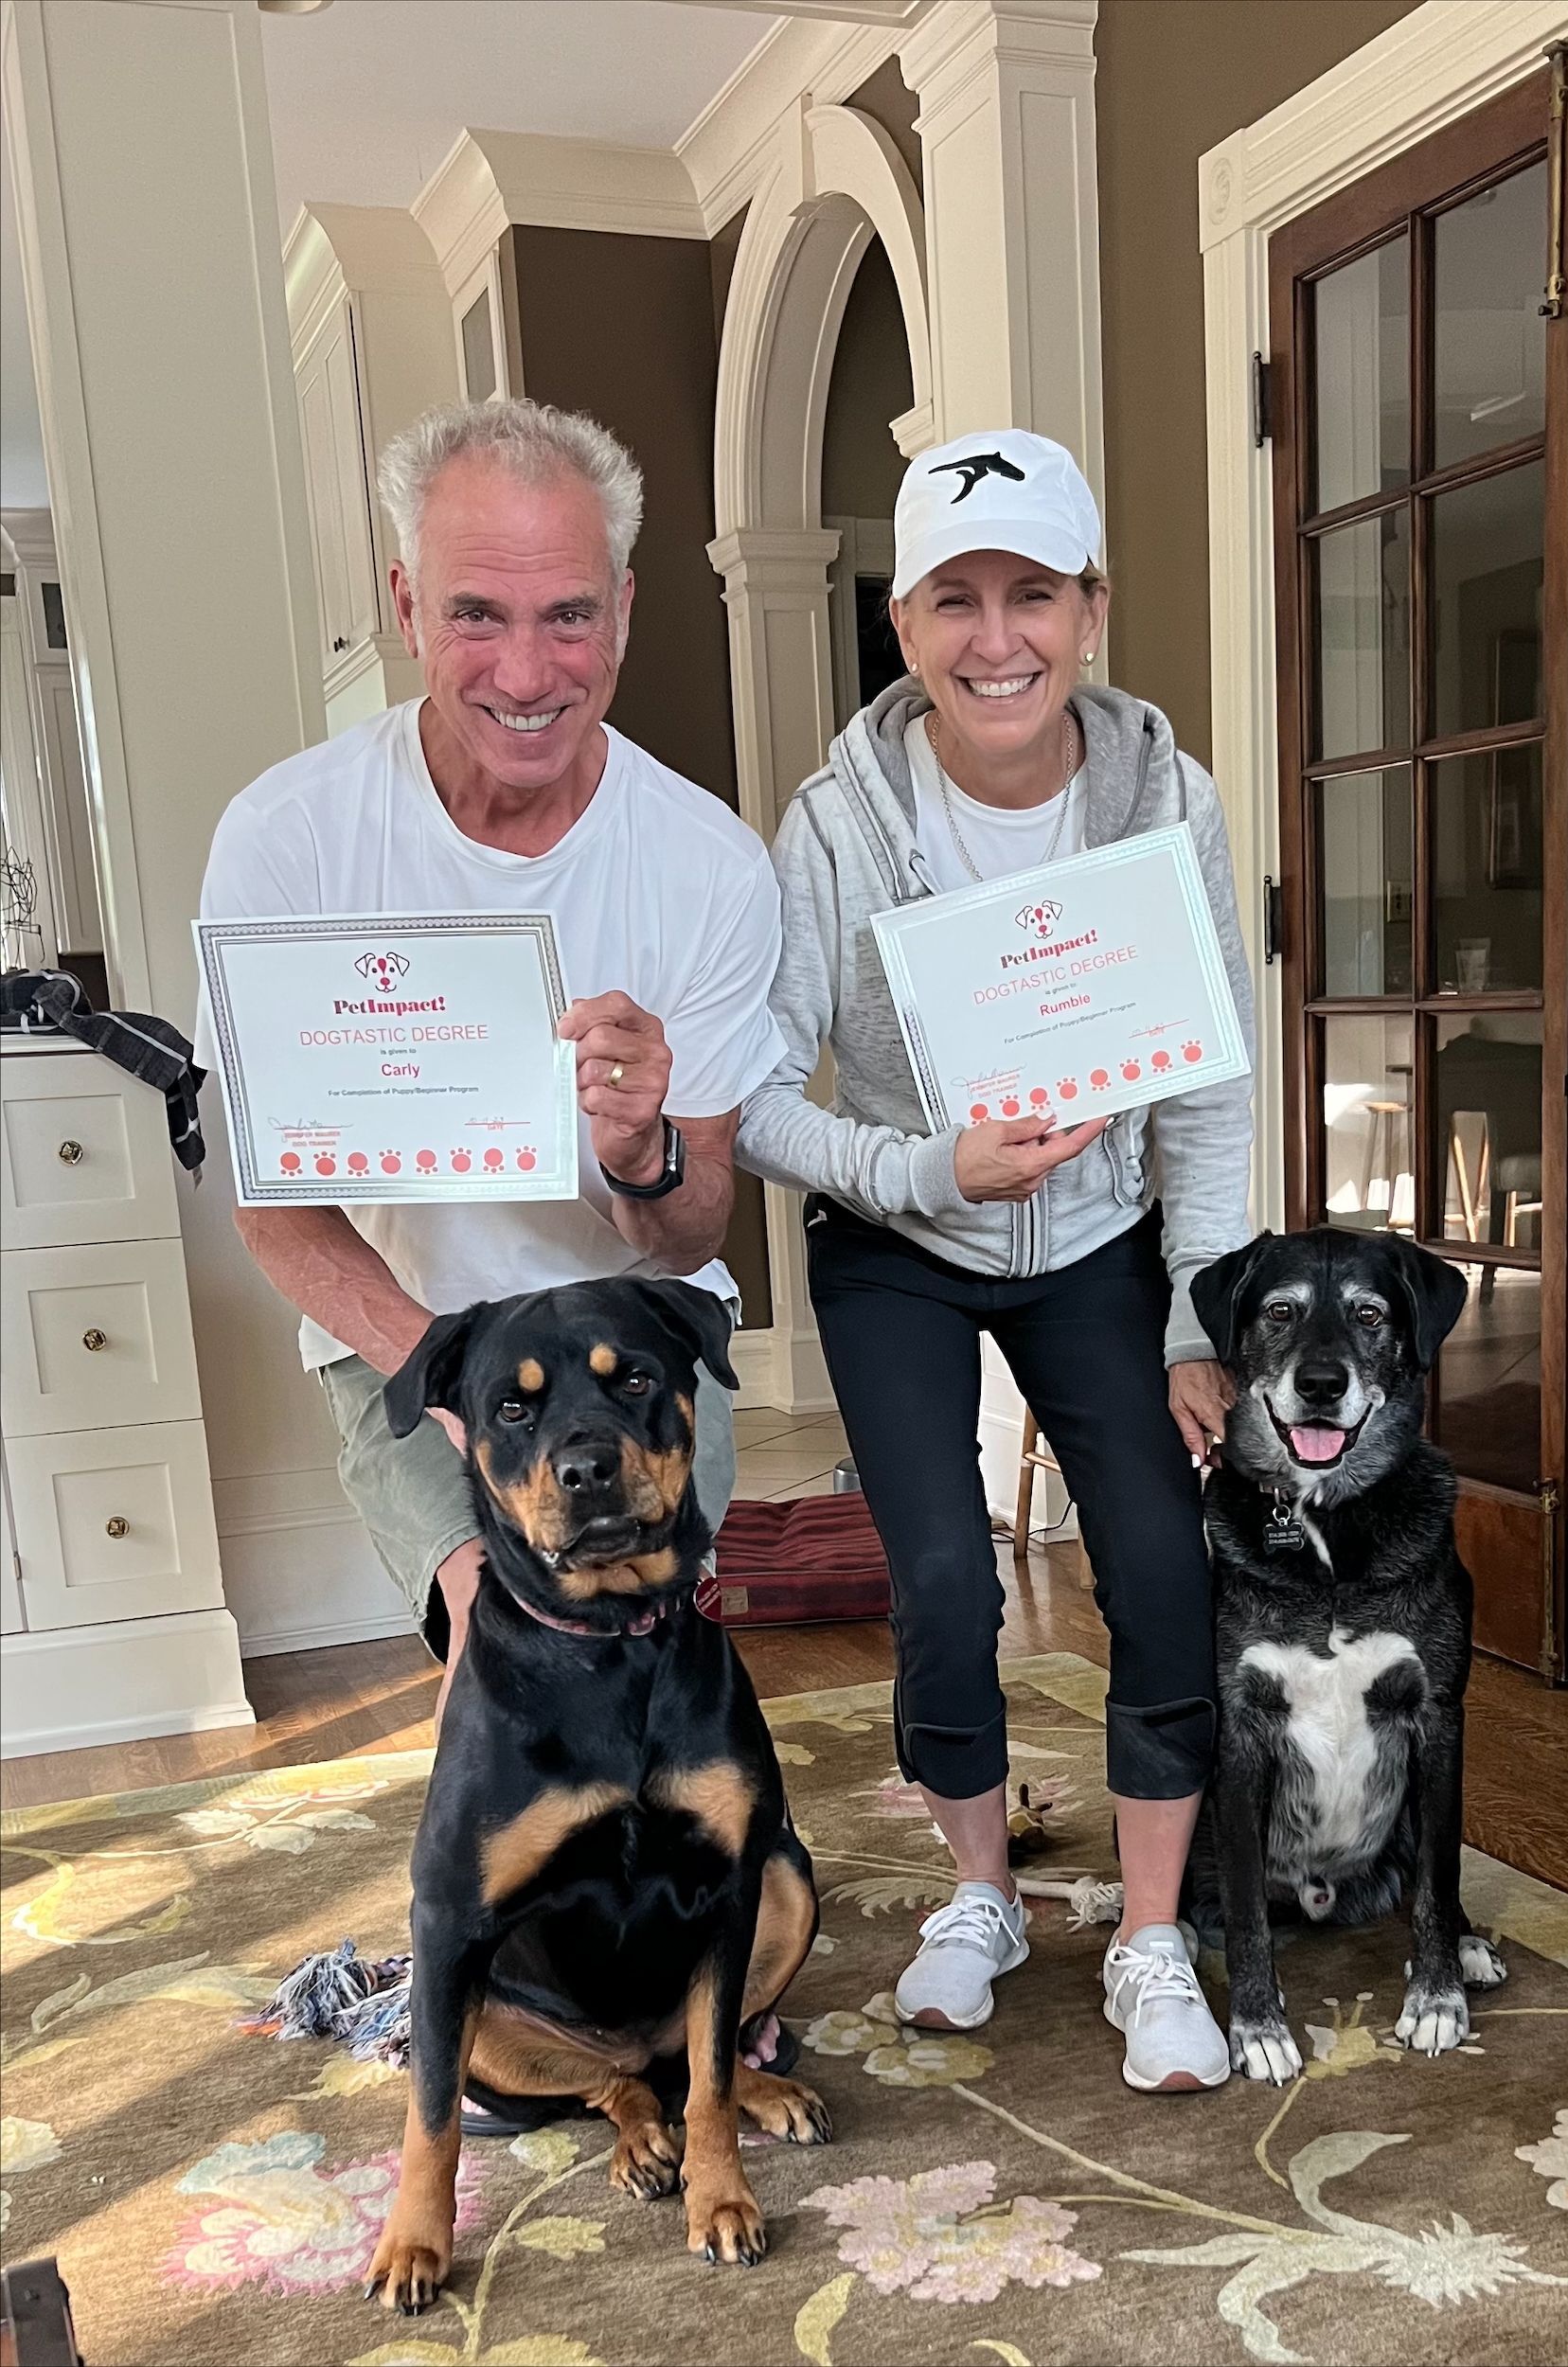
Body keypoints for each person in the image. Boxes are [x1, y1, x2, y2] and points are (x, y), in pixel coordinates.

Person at [737, 429, 1256, 2093]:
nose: (997, 637)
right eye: (955, 600)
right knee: (945, 1581)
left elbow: (1212, 1086)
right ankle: (981, 1892)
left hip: (1097, 1238)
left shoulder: (1170, 803)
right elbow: (749, 1092)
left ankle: (1151, 1933)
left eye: (1031, 592)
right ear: (904, 625)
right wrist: (914, 1166)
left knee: (1162, 1568)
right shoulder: (832, 824)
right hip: (899, 1238)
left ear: (1092, 612)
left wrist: (1197, 1315)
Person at [201, 398, 783, 1721]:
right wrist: (449, 1385)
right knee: (507, 1658)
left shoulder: (706, 868)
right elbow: (272, 1208)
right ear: (407, 603)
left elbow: (694, 1230)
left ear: (623, 611)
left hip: (633, 1326)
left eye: (567, 615)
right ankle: (502, 1917)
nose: (527, 674)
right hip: (403, 1334)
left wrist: (645, 1153)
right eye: (479, 613)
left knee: (643, 1659)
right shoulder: (288, 841)